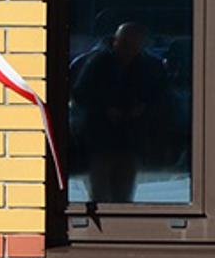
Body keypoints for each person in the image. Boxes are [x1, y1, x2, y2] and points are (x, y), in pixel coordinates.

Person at [69, 22, 170, 204]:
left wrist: (144, 107)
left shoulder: (147, 65)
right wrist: (105, 108)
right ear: (116, 41)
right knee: (101, 189)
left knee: (124, 188)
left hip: (131, 136)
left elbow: (160, 95)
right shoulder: (98, 62)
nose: (128, 50)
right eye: (125, 44)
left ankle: (122, 213)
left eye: (134, 45)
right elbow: (81, 93)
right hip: (101, 135)